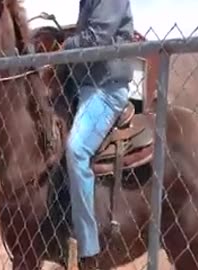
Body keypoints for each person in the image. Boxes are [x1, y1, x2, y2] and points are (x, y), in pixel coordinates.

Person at [62, 0, 134, 268]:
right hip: (84, 85)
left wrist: (64, 46)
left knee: (76, 149)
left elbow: (97, 38)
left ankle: (88, 248)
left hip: (105, 89)